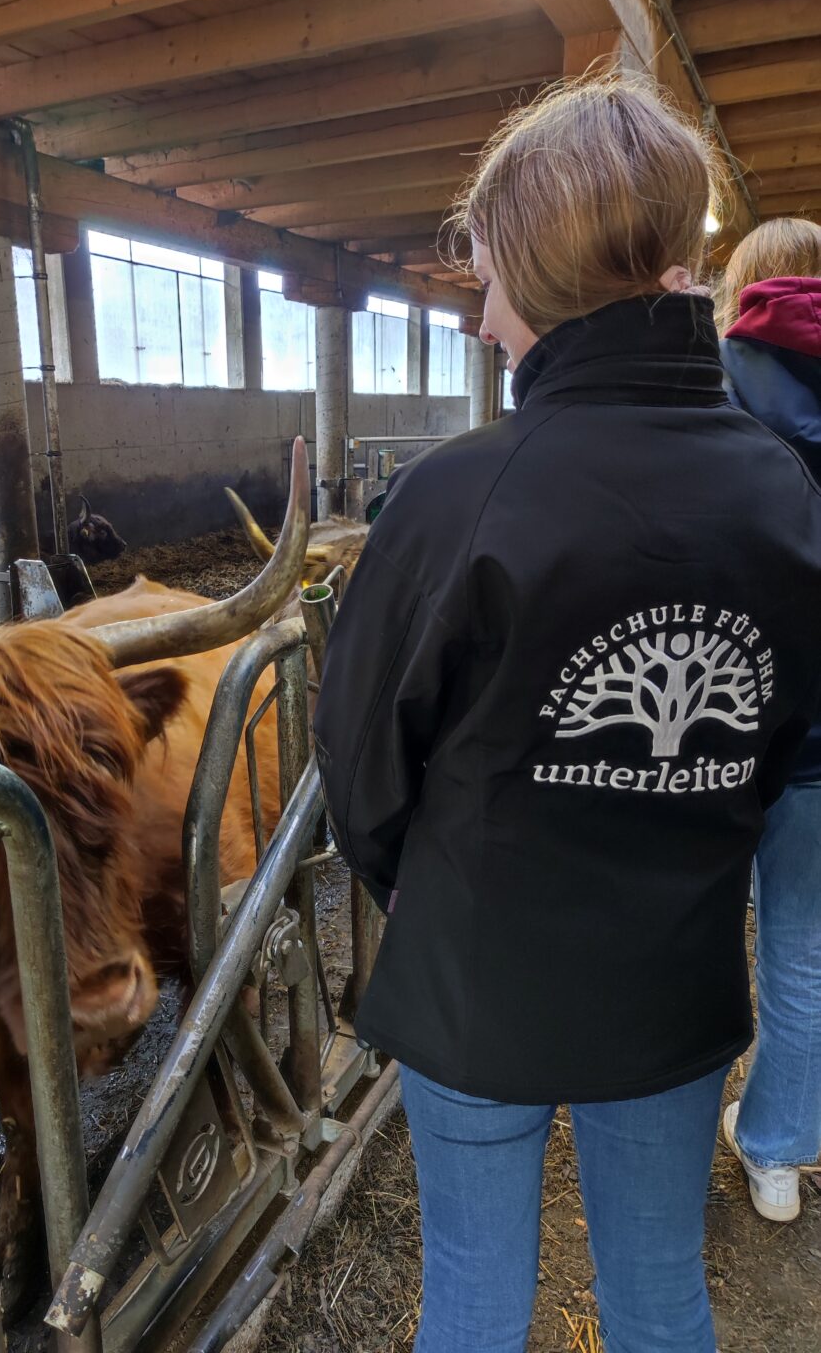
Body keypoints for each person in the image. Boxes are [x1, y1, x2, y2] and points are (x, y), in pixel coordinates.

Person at [313, 77, 821, 1353]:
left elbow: (359, 764)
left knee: (474, 1297)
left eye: (484, 281)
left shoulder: (451, 499)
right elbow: (786, 741)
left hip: (474, 980)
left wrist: (430, 887)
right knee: (657, 1289)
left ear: (537, 273)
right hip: (668, 982)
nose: (480, 321)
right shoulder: (783, 493)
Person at [715, 217, 821, 1222]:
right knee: (803, 951)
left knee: (690, 937)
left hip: (713, 721)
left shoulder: (706, 387)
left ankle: (655, 1132)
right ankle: (778, 1154)